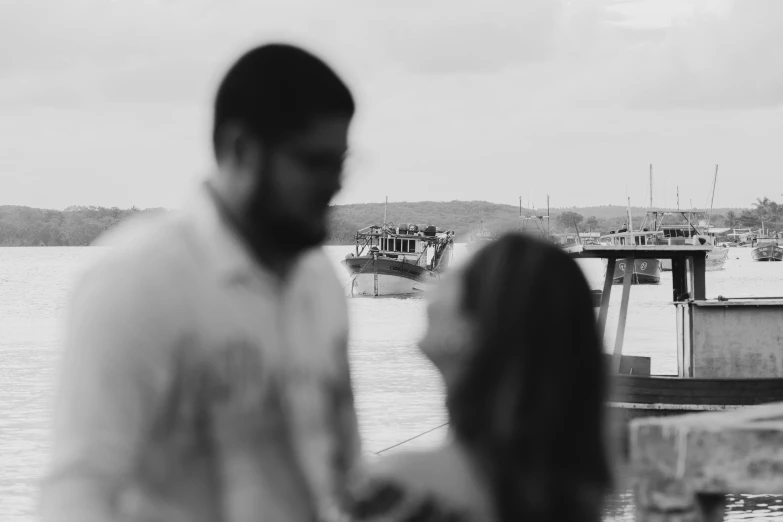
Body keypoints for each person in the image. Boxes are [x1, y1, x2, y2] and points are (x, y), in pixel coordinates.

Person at [41, 44, 361, 522]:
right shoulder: (135, 281)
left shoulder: (320, 283)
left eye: (341, 163)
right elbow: (78, 493)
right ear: (241, 150)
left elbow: (343, 467)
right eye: (314, 163)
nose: (335, 185)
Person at [346, 234, 612, 522]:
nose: (438, 285)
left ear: (472, 332)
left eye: (458, 277)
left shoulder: (400, 487)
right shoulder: (567, 494)